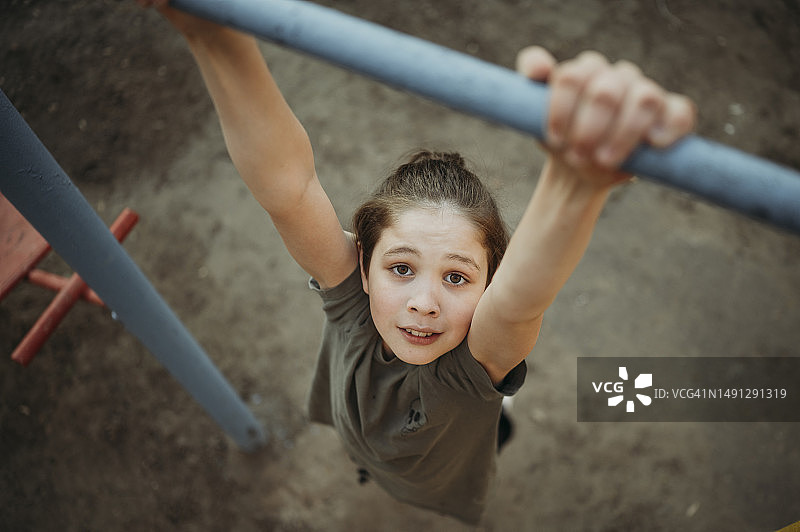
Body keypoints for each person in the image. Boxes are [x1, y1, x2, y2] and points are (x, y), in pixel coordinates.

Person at [137, 0, 695, 525]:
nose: (423, 302)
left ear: (486, 290)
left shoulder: (468, 369)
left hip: (441, 469)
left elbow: (523, 297)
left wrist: (577, 184)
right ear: (362, 265)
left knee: (491, 422)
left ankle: (498, 418)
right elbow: (289, 188)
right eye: (401, 268)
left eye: (457, 278)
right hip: (368, 445)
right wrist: (208, 30)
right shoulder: (351, 305)